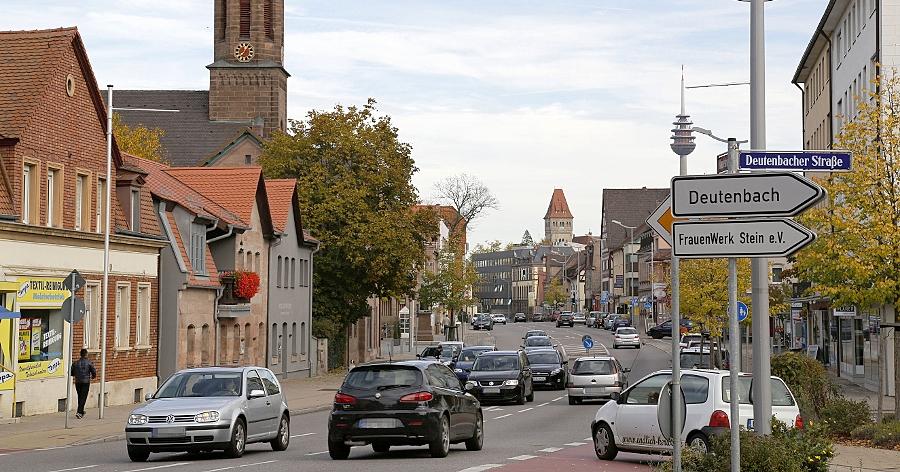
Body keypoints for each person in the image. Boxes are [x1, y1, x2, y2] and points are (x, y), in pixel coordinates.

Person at [70, 348, 96, 419]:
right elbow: (93, 371)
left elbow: (71, 372)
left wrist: (76, 375)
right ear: (86, 354)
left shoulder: (75, 363)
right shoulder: (89, 362)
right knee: (83, 397)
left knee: (80, 396)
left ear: (80, 354)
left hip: (78, 382)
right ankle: (79, 412)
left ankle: (81, 411)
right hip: (85, 382)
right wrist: (93, 376)